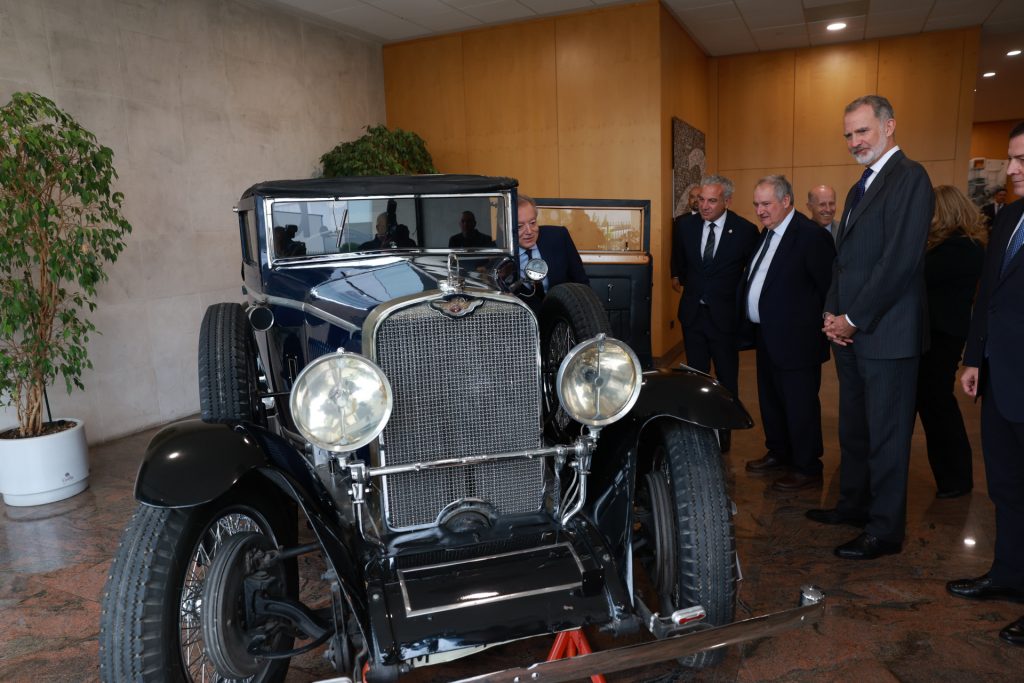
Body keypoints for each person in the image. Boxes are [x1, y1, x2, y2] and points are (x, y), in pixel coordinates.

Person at [809, 94, 933, 560]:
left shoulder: (910, 177)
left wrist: (853, 319)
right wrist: (831, 314)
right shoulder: (864, 182)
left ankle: (884, 531)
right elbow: (847, 263)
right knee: (856, 430)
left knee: (887, 436)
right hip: (853, 334)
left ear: (889, 126)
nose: (854, 140)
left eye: (862, 130)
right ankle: (853, 506)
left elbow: (898, 262)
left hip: (886, 334)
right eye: (848, 133)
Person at [947, 121, 1024, 647]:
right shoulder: (1011, 216)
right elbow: (987, 297)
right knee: (1007, 487)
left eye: (1022, 160)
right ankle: (1008, 575)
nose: (1012, 170)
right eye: (1013, 158)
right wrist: (973, 358)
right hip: (1001, 377)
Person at [740, 176, 835, 491]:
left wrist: (826, 325)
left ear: (786, 201)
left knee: (800, 405)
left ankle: (807, 466)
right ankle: (779, 452)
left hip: (799, 341)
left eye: (766, 204)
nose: (760, 211)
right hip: (767, 336)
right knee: (772, 401)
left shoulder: (810, 236)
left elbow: (828, 289)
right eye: (756, 204)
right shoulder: (765, 235)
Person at [670, 174, 759, 452]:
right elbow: (681, 265)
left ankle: (724, 435)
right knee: (695, 376)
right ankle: (698, 432)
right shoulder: (685, 226)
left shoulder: (745, 231)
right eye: (701, 200)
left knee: (726, 378)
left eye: (712, 200)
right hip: (694, 315)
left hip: (725, 317)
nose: (704, 206)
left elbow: (753, 274)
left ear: (727, 201)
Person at [915, 185, 986, 499]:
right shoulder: (958, 245)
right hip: (941, 333)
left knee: (937, 404)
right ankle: (953, 477)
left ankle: (956, 478)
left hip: (942, 336)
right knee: (935, 403)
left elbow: (919, 276)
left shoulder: (960, 247)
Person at [516, 194, 588, 308]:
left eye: (533, 222)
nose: (529, 231)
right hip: (523, 320)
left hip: (562, 315)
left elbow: (582, 284)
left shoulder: (559, 237)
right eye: (520, 226)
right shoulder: (500, 254)